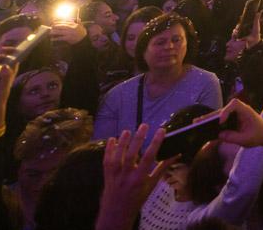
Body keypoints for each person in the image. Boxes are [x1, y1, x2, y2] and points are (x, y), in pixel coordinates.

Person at [94, 12, 222, 139]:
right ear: (143, 50)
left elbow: (209, 140)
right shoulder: (119, 95)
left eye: (176, 40)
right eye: (160, 42)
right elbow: (101, 144)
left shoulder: (204, 82)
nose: (169, 46)